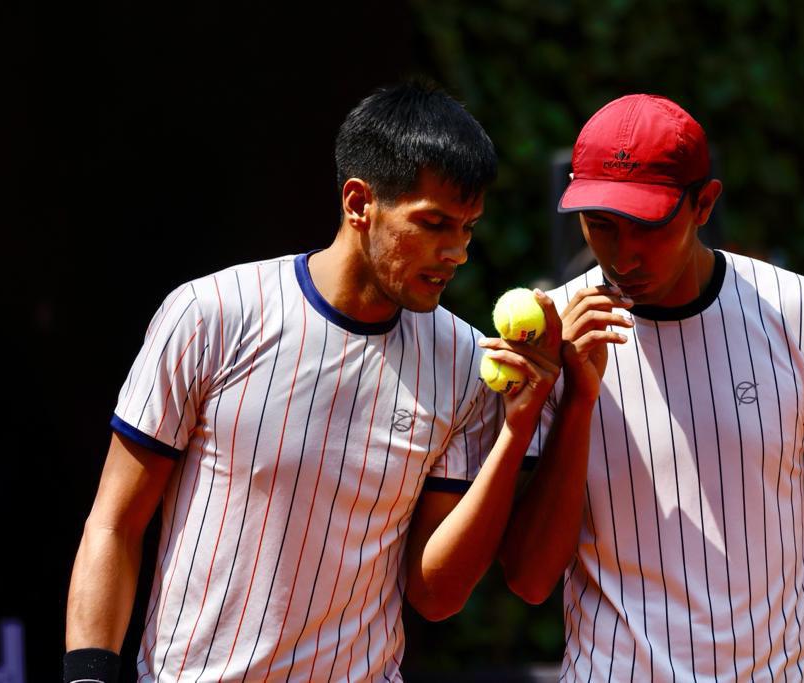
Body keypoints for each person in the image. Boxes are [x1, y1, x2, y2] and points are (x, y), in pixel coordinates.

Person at [64, 81, 561, 682]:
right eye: (434, 223)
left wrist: (516, 432)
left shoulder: (464, 363)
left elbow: (437, 597)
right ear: (359, 203)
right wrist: (88, 676)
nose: (456, 251)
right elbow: (114, 523)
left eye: (469, 227)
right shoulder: (210, 313)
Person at [494, 95, 804, 681]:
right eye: (601, 226)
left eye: (648, 225)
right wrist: (578, 400)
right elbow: (529, 580)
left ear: (704, 204)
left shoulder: (799, 312)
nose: (625, 255)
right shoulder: (552, 335)